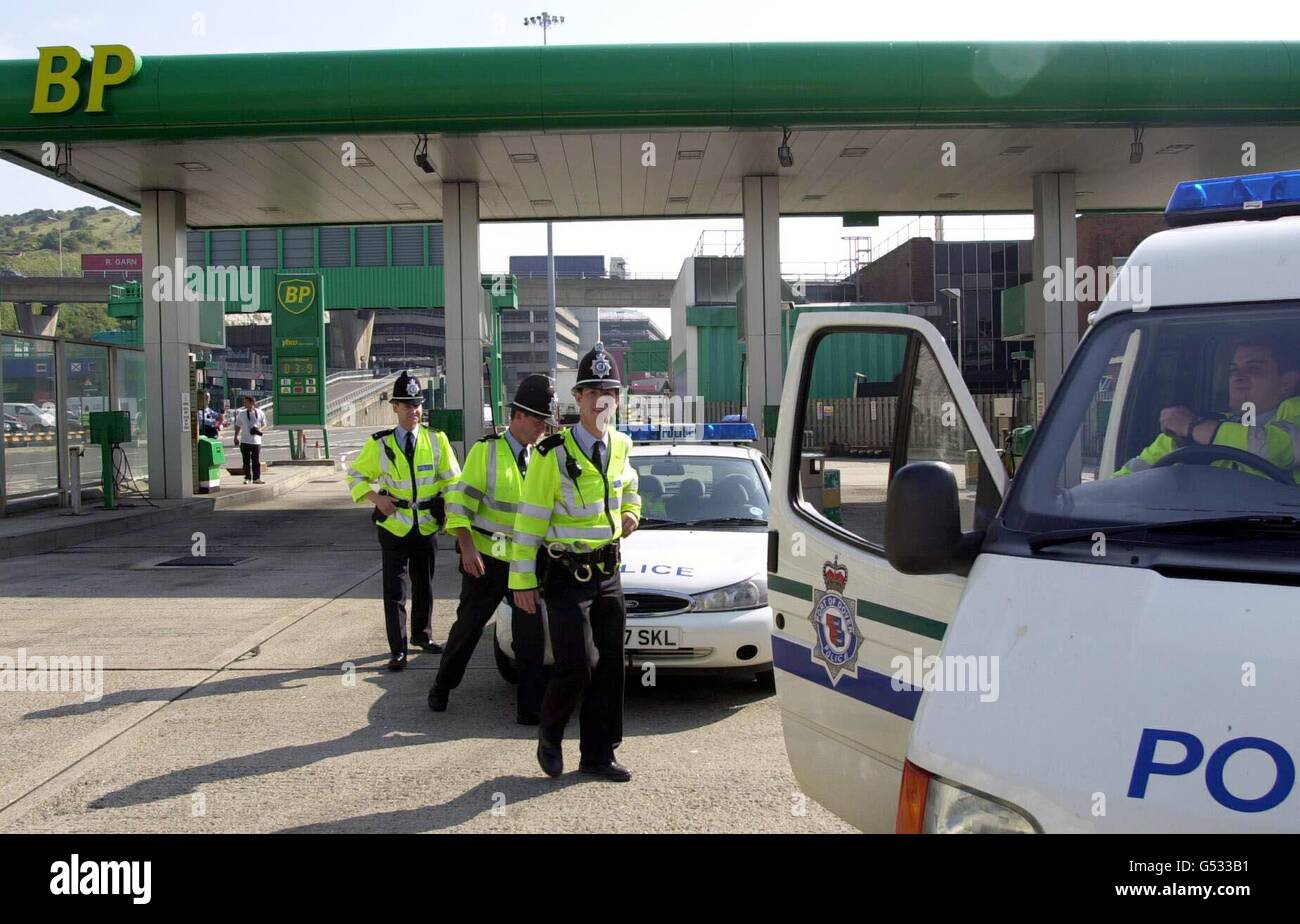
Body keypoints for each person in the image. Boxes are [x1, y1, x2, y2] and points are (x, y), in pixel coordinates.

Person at [509, 342, 641, 782]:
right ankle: (550, 733)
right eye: (592, 392)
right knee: (578, 663)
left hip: (609, 573)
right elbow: (528, 523)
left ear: (617, 401)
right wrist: (521, 581)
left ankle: (598, 754)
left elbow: (630, 489)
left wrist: (631, 512)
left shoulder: (622, 445)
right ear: (578, 399)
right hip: (567, 575)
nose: (601, 400)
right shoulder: (553, 454)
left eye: (610, 392)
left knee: (610, 666)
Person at [429, 374, 554, 722]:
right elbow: (458, 505)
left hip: (525, 564)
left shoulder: (542, 457)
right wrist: (466, 548)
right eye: (535, 420)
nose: (541, 428)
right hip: (487, 562)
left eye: (544, 422)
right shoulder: (486, 452)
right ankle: (443, 684)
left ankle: (530, 709)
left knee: (529, 636)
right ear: (516, 416)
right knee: (468, 628)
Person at [346, 370, 460, 671]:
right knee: (395, 590)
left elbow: (453, 482)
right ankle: (397, 649)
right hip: (394, 526)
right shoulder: (380, 444)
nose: (414, 410)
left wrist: (452, 515)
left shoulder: (437, 440)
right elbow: (355, 476)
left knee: (425, 584)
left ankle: (422, 636)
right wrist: (376, 500)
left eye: (418, 404)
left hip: (425, 524)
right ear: (395, 407)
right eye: (407, 405)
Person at [1118, 339, 1300, 482]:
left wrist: (1195, 427)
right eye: (1233, 370)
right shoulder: (1203, 424)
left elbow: (1278, 449)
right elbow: (1127, 479)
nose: (1238, 377)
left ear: (1287, 383)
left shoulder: (1295, 413)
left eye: (1253, 369)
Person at [233, 395, 268, 484]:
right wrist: (236, 436)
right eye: (244, 402)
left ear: (252, 403)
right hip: (245, 441)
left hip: (256, 441)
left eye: (246, 402)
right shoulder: (242, 413)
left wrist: (259, 430)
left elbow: (265, 425)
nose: (244, 404)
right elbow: (238, 426)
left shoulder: (260, 412)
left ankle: (257, 478)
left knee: (256, 461)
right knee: (246, 461)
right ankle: (247, 477)